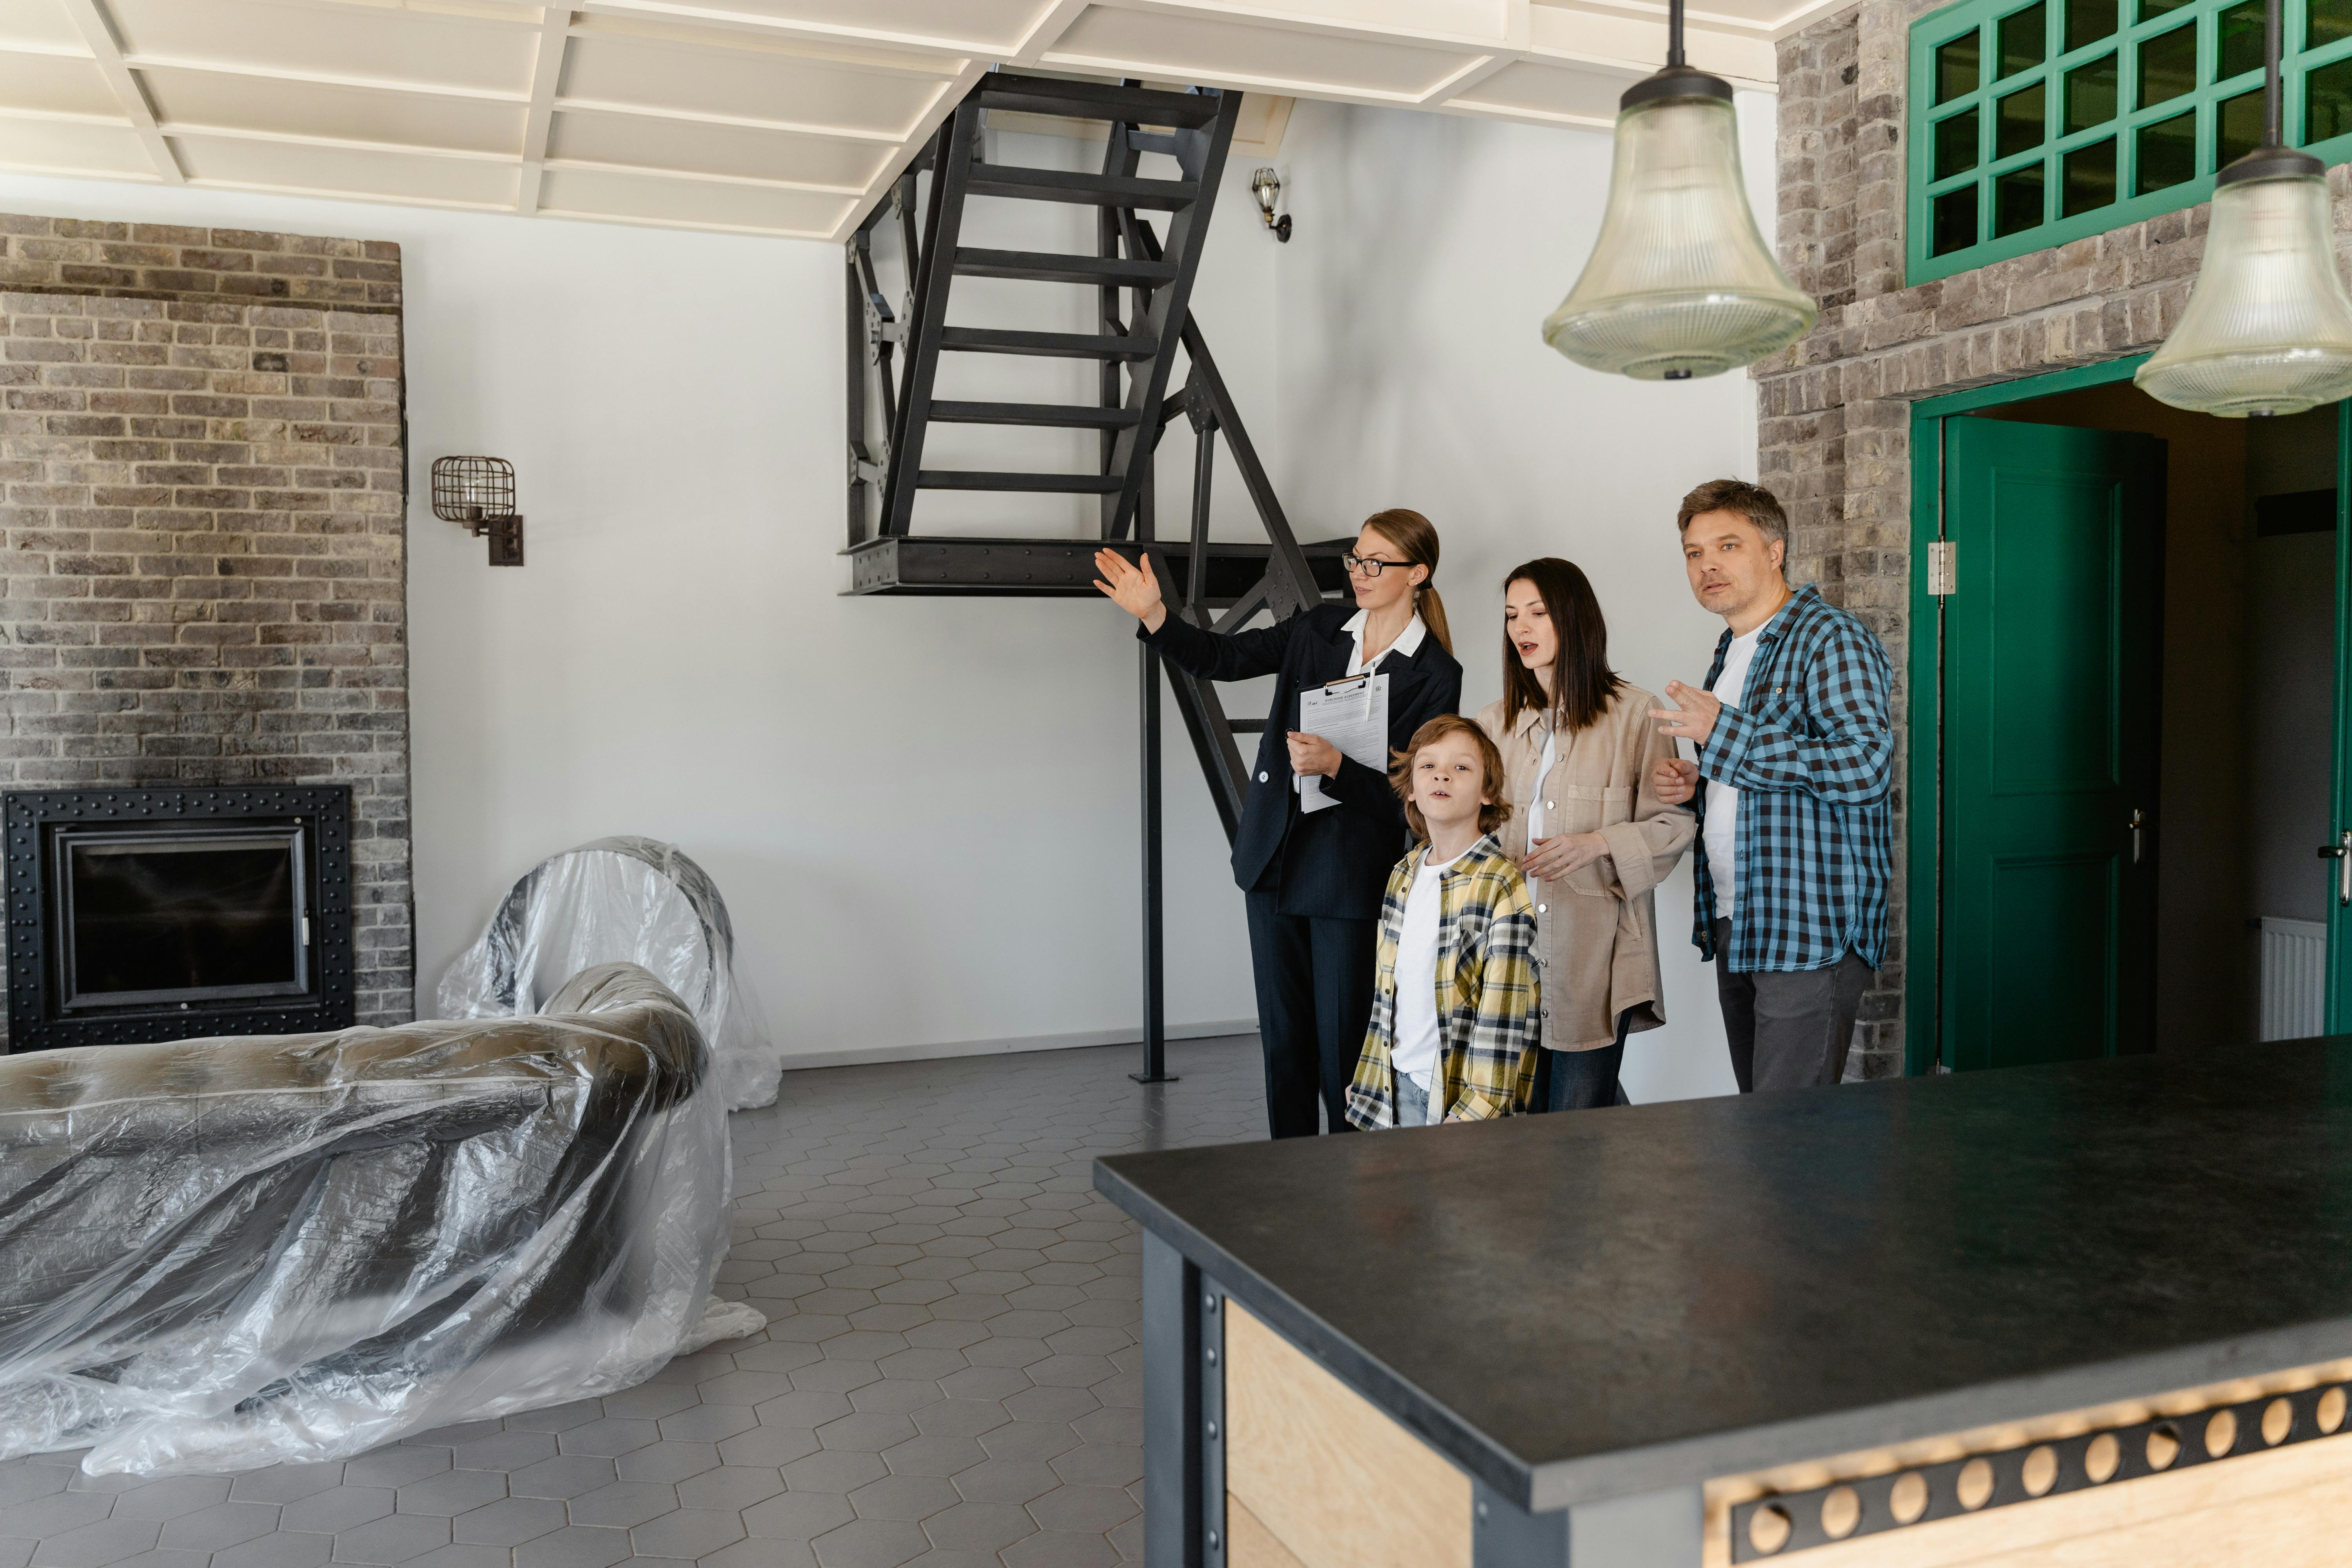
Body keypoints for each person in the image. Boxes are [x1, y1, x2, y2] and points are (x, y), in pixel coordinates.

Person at [1092, 510, 1465, 1138]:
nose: (1360, 572)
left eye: (1376, 563)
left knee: (1343, 1047)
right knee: (1285, 1045)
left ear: (1417, 574)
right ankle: (1287, 1176)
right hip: (1274, 857)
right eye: (1356, 558)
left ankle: (1349, 1177)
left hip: (1347, 875)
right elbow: (1224, 657)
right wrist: (1156, 616)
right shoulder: (1318, 628)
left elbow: (1418, 793)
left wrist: (1338, 766)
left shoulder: (1435, 674)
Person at [1648, 479, 1896, 1092]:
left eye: (1728, 546)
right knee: (1762, 1121)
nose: (1707, 565)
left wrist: (1724, 736)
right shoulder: (1732, 650)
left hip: (1808, 924)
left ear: (1775, 550)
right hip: (1741, 916)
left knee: (1789, 1130)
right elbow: (1764, 775)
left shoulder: (1829, 637)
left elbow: (1865, 766)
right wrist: (1702, 780)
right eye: (1694, 552)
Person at [1475, 559, 1694, 1111]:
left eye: (1537, 612)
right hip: (1507, 961)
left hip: (1594, 962)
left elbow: (1671, 825)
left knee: (1577, 1128)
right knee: (1520, 1127)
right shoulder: (1492, 724)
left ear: (1573, 618)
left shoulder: (1637, 714)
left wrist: (1596, 844)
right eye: (1512, 616)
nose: (1521, 627)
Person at [1344, 715, 1539, 1129]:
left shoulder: (1499, 883)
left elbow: (1504, 1016)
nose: (1442, 775)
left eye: (1461, 767)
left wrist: (1474, 1113)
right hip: (1393, 1086)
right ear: (1412, 789)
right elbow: (1388, 994)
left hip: (1452, 1100)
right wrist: (1371, 1077)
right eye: (1429, 765)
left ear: (1488, 793)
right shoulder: (1404, 873)